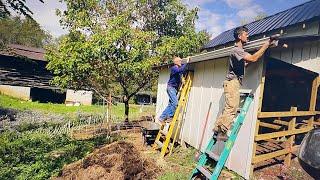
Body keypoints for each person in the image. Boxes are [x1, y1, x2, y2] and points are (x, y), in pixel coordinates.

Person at [213, 26, 273, 139]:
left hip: (231, 82)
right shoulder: (237, 50)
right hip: (232, 82)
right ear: (240, 36)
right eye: (246, 34)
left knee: (228, 107)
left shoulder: (238, 51)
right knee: (232, 107)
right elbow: (253, 58)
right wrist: (266, 44)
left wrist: (253, 56)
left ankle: (217, 128)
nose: (248, 36)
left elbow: (245, 64)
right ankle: (222, 133)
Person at [158, 56, 190, 125]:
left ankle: (162, 118)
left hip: (174, 89)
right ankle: (169, 117)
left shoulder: (177, 70)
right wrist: (186, 62)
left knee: (170, 105)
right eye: (180, 61)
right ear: (176, 62)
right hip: (171, 88)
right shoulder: (174, 68)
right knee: (175, 103)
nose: (181, 62)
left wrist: (182, 80)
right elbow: (180, 70)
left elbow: (181, 73)